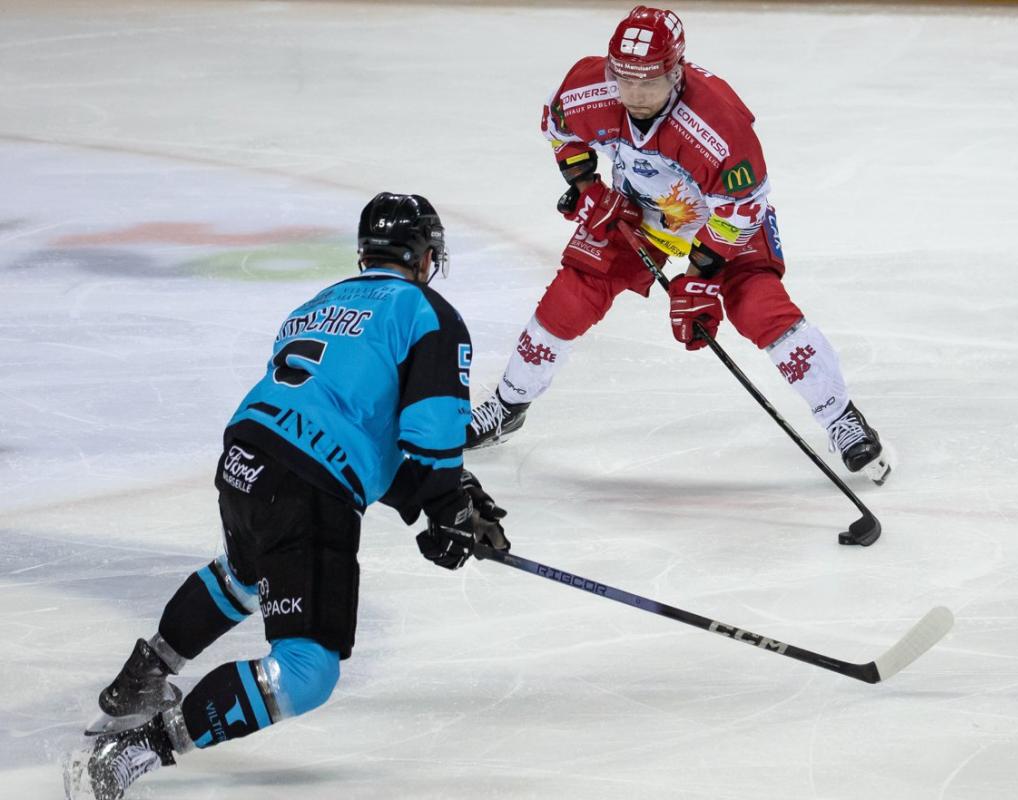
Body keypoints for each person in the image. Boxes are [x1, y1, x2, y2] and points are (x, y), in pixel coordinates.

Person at [63, 193, 511, 800]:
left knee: (245, 573)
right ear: (425, 255)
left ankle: (138, 682)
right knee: (306, 672)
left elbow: (350, 429)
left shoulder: (316, 305)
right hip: (305, 486)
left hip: (245, 456)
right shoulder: (427, 313)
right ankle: (134, 751)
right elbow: (429, 434)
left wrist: (436, 502)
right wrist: (447, 504)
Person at [466, 5, 890, 485]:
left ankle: (840, 417)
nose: (633, 94)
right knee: (572, 295)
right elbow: (558, 128)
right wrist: (589, 190)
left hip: (721, 222)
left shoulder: (718, 125)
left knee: (759, 307)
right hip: (639, 212)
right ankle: (508, 404)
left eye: (648, 82)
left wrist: (700, 277)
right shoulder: (589, 89)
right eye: (624, 79)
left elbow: (742, 210)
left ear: (676, 72)